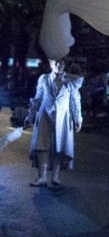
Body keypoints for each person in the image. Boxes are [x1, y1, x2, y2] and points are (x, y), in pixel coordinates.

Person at [25, 58, 83, 188]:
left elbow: (75, 101)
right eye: (55, 62)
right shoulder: (43, 79)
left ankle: (56, 177)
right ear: (50, 64)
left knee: (59, 146)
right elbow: (37, 98)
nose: (58, 64)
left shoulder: (71, 81)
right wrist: (31, 116)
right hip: (44, 115)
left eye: (61, 62)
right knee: (42, 145)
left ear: (64, 64)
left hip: (63, 117)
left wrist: (78, 118)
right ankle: (42, 177)